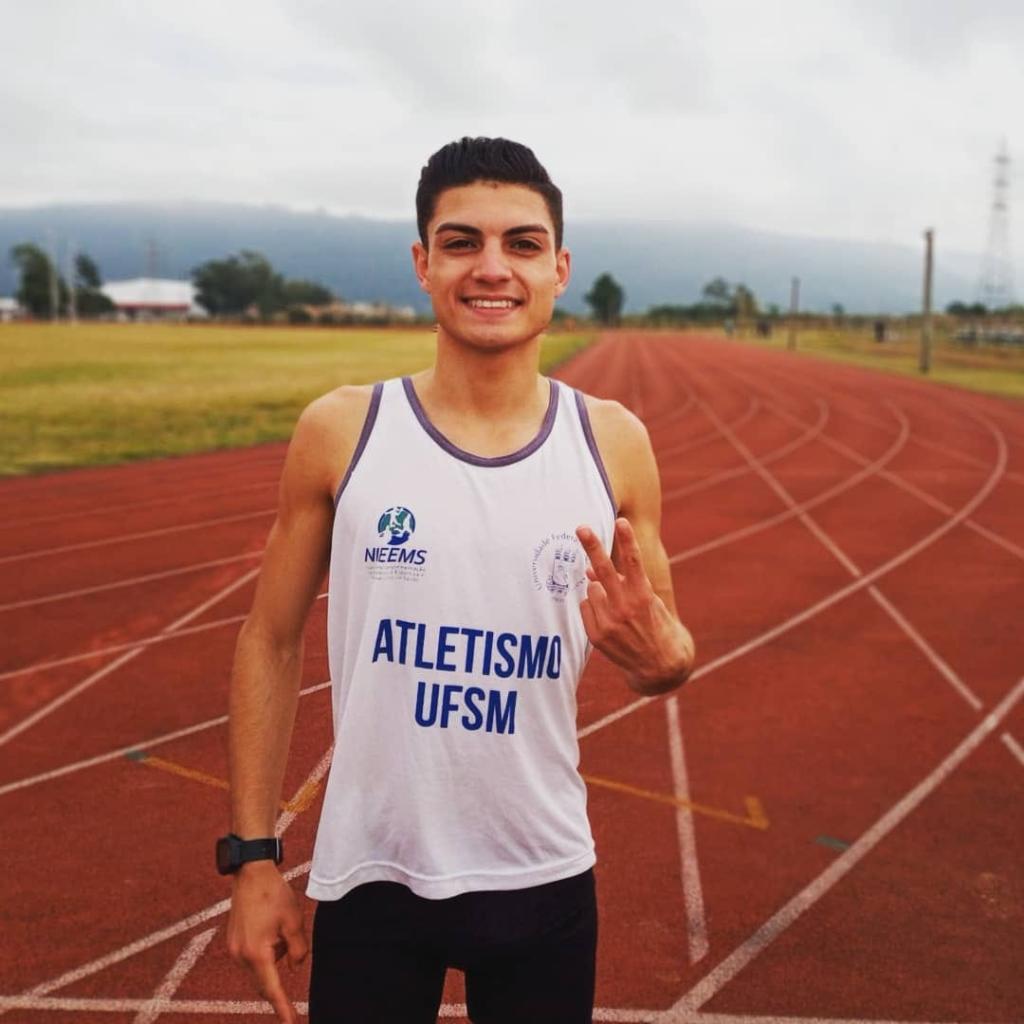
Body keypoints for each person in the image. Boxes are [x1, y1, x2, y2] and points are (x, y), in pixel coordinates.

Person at [223, 136, 695, 1024]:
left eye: (521, 244)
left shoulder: (613, 442)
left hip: (542, 875)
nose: (492, 268)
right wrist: (254, 859)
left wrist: (665, 653)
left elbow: (663, 654)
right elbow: (270, 640)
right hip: (372, 874)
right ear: (422, 263)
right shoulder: (343, 429)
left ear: (559, 268)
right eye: (461, 242)